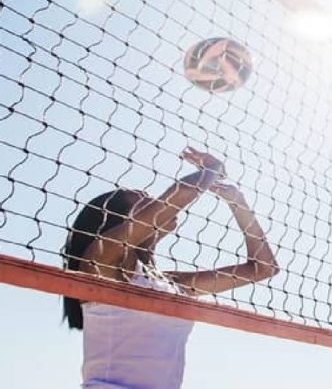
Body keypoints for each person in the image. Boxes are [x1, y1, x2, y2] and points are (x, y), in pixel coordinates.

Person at [62, 146, 279, 389]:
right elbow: (181, 194)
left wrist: (237, 202)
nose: (156, 202)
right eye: (144, 200)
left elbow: (263, 268)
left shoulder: (173, 285)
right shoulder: (102, 262)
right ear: (118, 221)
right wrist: (213, 169)